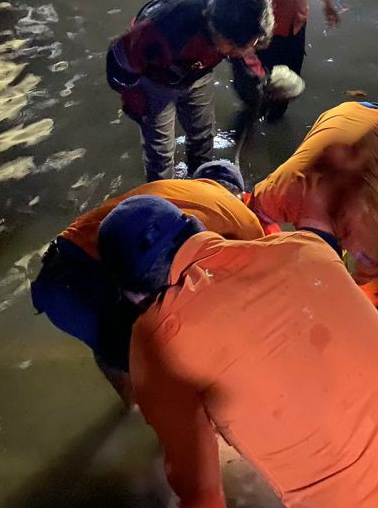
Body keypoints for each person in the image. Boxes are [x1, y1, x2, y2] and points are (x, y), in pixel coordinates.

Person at [98, 196, 378, 508]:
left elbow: (203, 496)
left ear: (134, 292)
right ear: (194, 226)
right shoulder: (306, 247)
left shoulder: (157, 344)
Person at [29, 161, 263, 405]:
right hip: (108, 282)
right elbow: (258, 283)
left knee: (109, 350)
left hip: (58, 276)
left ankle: (130, 406)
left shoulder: (168, 188)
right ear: (241, 195)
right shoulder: (242, 216)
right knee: (167, 368)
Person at [250, 101, 378, 308]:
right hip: (339, 116)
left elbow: (377, 290)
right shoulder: (273, 195)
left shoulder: (367, 238)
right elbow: (251, 229)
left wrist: (344, 307)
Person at [106, 0, 273, 181]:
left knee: (203, 133)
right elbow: (119, 60)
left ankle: (200, 177)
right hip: (157, 79)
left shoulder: (240, 15)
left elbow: (244, 59)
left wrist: (258, 88)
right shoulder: (163, 29)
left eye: (250, 44)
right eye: (236, 46)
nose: (244, 50)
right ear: (216, 31)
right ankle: (165, 196)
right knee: (160, 152)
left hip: (197, 72)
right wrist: (133, 96)